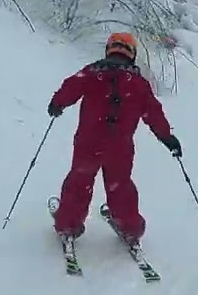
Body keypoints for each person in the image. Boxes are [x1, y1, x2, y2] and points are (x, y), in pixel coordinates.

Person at [48, 31, 182, 246]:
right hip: (119, 147)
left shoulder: (92, 72)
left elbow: (71, 86)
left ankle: (68, 223)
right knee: (120, 186)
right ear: (132, 54)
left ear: (110, 49)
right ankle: (130, 227)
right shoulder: (138, 83)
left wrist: (57, 104)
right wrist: (167, 138)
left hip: (88, 142)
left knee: (80, 181)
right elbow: (153, 113)